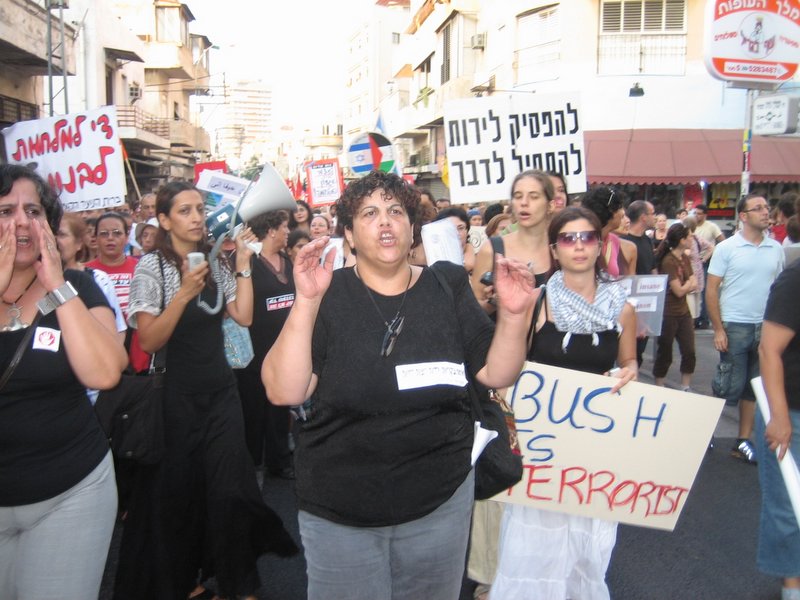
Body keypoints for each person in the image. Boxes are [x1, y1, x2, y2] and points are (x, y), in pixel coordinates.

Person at [261, 170, 537, 600]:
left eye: (395, 212)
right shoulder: (326, 294)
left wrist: (516, 316)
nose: (386, 222)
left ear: (412, 229)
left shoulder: (446, 285)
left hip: (440, 502)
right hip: (340, 511)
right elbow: (284, 391)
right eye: (369, 213)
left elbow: (495, 374)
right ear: (348, 236)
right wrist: (307, 300)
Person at [118, 181, 298, 600]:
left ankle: (241, 583)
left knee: (232, 490)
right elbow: (148, 341)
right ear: (163, 220)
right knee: (178, 495)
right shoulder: (152, 267)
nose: (196, 217)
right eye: (184, 210)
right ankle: (185, 582)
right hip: (174, 399)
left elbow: (244, 316)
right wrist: (182, 294)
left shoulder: (217, 262)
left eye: (200, 208)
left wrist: (244, 264)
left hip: (221, 394)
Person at [491, 206, 637, 600]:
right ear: (554, 249)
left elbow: (628, 362)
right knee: (532, 553)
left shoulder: (622, 308)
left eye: (587, 237)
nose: (578, 246)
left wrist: (630, 373)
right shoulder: (535, 302)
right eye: (568, 239)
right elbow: (507, 370)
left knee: (588, 555)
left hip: (596, 451)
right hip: (542, 452)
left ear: (600, 244)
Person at [0, 164, 128, 600]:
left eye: (33, 210)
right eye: (5, 210)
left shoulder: (78, 284)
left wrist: (56, 286)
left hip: (70, 493)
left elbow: (105, 372)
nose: (20, 221)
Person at [707, 193, 784, 465]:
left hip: (764, 326)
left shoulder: (775, 248)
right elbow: (712, 289)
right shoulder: (727, 248)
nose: (766, 212)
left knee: (754, 386)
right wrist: (718, 329)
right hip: (735, 323)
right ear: (743, 216)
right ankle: (705, 433)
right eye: (758, 208)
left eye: (767, 207)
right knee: (727, 384)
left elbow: (778, 289)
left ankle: (742, 440)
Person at [236, 210, 296, 480]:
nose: (288, 232)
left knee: (279, 406)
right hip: (253, 352)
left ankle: (279, 459)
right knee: (252, 407)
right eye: (284, 227)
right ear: (271, 230)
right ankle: (251, 461)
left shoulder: (288, 260)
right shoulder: (247, 261)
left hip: (284, 350)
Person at [757, 259, 800, 600]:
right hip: (791, 411)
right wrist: (779, 416)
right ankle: (791, 587)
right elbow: (769, 349)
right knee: (786, 506)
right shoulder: (795, 278)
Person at [472, 170, 554, 316]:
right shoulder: (492, 249)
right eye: (518, 196)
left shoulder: (562, 247)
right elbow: (473, 310)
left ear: (550, 205)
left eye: (534, 197)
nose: (524, 203)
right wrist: (495, 301)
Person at [653, 223, 697, 391]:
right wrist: (687, 286)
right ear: (682, 240)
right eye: (690, 237)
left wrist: (686, 285)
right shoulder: (668, 261)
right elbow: (678, 290)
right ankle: (659, 384)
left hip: (683, 311)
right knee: (665, 351)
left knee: (689, 350)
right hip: (668, 312)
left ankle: (685, 385)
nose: (692, 239)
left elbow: (694, 281)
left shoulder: (684, 258)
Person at [621, 200, 657, 366]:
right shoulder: (623, 241)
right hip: (627, 302)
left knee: (640, 349)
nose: (655, 217)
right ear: (643, 217)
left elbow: (653, 269)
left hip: (646, 302)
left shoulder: (648, 241)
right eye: (653, 213)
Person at [581, 187, 636, 277]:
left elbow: (625, 277)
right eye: (620, 207)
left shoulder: (614, 240)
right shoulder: (582, 241)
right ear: (611, 210)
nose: (623, 212)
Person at [693, 203, 725, 328]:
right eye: (695, 213)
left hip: (707, 261)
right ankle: (695, 317)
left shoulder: (711, 226)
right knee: (694, 290)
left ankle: (705, 318)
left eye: (699, 214)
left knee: (706, 289)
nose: (697, 216)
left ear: (705, 215)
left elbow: (722, 240)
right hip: (693, 261)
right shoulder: (692, 226)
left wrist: (713, 252)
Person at [434, 206, 476, 275]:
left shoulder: (480, 258)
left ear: (467, 230)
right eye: (450, 229)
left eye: (460, 228)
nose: (456, 233)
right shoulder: (432, 262)